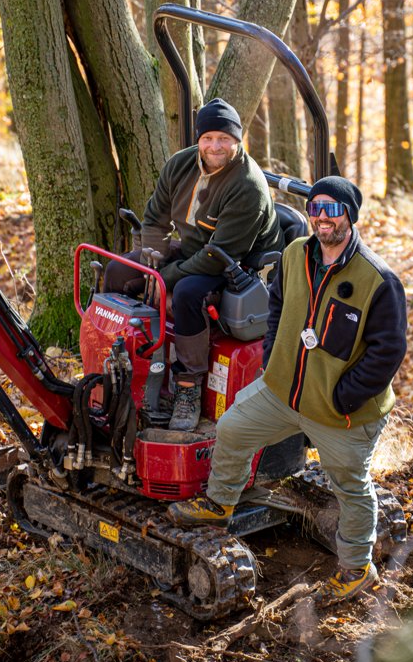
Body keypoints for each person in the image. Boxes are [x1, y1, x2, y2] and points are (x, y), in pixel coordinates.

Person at [168, 175, 408, 604]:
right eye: (315, 207)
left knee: (350, 486)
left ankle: (356, 569)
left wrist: (343, 397)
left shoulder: (378, 280)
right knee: (234, 427)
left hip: (342, 410)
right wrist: (274, 356)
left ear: (349, 216)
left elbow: (388, 352)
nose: (321, 217)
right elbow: (278, 303)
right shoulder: (296, 253)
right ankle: (221, 502)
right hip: (283, 391)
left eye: (331, 209)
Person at [105, 98, 282, 430]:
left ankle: (188, 388)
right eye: (208, 138)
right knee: (119, 270)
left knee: (186, 293)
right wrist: (152, 262)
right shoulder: (181, 164)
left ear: (238, 140)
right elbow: (155, 219)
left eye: (224, 139)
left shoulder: (248, 187)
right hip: (192, 250)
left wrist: (163, 280)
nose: (215, 146)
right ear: (198, 139)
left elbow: (218, 257)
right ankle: (125, 363)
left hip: (238, 268)